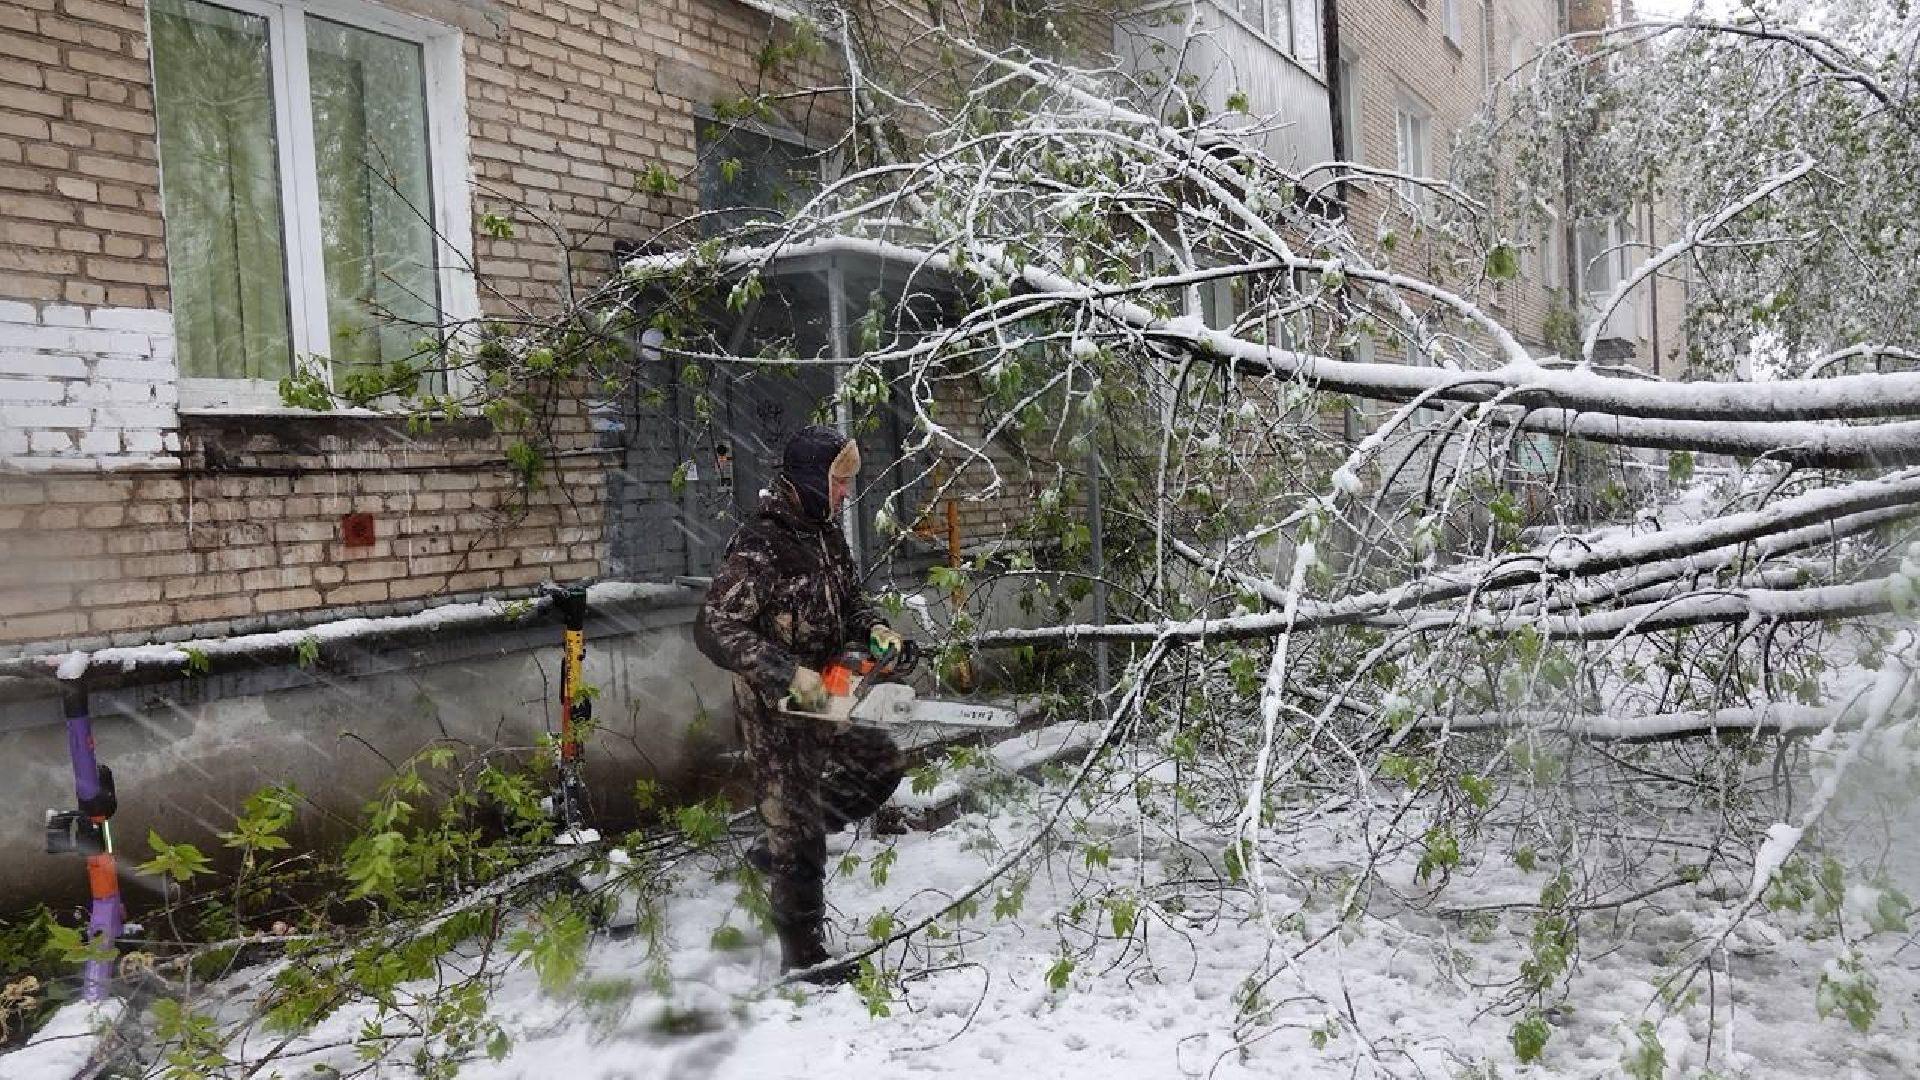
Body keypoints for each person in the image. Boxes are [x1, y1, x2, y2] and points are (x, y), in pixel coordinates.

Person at [694, 424, 906, 981]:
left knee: (879, 764)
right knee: (801, 831)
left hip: (825, 691)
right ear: (811, 479)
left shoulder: (824, 534)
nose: (845, 494)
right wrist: (788, 675)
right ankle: (803, 959)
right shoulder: (762, 544)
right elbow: (714, 626)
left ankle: (780, 846)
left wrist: (876, 628)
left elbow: (853, 599)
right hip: (776, 706)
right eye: (838, 482)